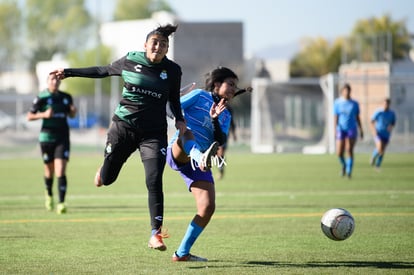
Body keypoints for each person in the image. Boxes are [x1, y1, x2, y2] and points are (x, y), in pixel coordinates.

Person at [51, 24, 187, 251]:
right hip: (123, 128)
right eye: (155, 42)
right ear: (145, 45)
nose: (159, 47)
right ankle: (103, 169)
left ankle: (156, 234)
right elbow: (102, 70)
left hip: (153, 134)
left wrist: (179, 119)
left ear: (167, 49)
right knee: (107, 178)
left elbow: (173, 100)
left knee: (154, 180)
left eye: (164, 45)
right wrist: (69, 72)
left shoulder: (173, 70)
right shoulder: (130, 61)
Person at [167, 67, 246, 262]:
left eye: (236, 86)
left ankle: (182, 253)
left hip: (201, 162)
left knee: (207, 207)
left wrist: (215, 119)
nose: (234, 89)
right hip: (180, 151)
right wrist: (173, 102)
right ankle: (198, 156)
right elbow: (170, 110)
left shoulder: (226, 114)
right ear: (217, 84)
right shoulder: (199, 95)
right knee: (188, 132)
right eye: (231, 84)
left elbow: (220, 140)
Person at [27, 73, 77, 214]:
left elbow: (71, 114)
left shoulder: (66, 97)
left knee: (60, 170)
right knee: (49, 171)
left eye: (57, 79)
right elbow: (29, 116)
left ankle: (61, 203)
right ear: (47, 81)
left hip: (62, 138)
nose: (55, 81)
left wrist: (73, 112)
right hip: (47, 138)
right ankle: (49, 195)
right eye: (52, 79)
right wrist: (43, 115)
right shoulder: (42, 97)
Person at [333, 83, 363, 178]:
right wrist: (335, 129)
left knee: (349, 149)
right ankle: (344, 165)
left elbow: (357, 117)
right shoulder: (337, 103)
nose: (347, 92)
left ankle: (349, 171)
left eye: (348, 90)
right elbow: (336, 116)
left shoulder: (354, 103)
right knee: (339, 152)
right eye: (345, 90)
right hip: (341, 129)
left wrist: (361, 129)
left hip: (352, 128)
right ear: (342, 91)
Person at [369, 98, 396, 169]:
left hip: (386, 134)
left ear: (389, 105)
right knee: (380, 147)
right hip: (378, 133)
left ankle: (377, 165)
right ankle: (373, 157)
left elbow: (393, 122)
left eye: (387, 104)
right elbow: (372, 121)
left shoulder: (392, 113)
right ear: (382, 104)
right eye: (384, 103)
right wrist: (374, 130)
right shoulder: (379, 112)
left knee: (382, 150)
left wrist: (391, 126)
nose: (385, 105)